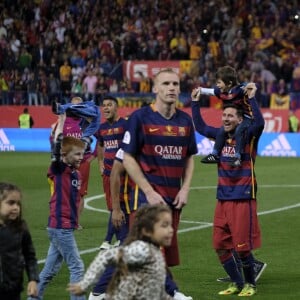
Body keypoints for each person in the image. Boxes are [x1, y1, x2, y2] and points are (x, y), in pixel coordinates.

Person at [122, 68, 197, 299]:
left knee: (157, 253)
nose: (172, 88)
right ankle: (173, 293)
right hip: (146, 199)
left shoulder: (185, 120)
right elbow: (127, 157)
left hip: (173, 199)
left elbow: (189, 157)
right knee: (149, 250)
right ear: (155, 89)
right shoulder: (140, 117)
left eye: (175, 84)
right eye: (165, 84)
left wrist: (185, 189)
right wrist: (148, 190)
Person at [191, 82, 265, 296]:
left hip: (243, 197)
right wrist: (195, 103)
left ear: (240, 120)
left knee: (242, 248)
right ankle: (236, 282)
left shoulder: (249, 136)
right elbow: (201, 128)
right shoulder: (220, 137)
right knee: (220, 245)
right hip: (222, 198)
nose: (225, 119)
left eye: (230, 116)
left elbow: (259, 123)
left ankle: (250, 284)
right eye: (224, 116)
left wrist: (251, 97)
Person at [28, 114, 86, 300]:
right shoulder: (58, 169)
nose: (81, 157)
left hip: (61, 226)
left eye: (82, 154)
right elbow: (57, 143)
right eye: (77, 154)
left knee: (48, 271)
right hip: (60, 227)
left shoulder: (74, 174)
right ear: (64, 155)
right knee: (77, 267)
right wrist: (61, 120)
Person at [67, 204, 174, 300]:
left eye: (170, 225)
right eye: (164, 226)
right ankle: (97, 294)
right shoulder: (141, 249)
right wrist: (84, 284)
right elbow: (106, 256)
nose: (171, 230)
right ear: (147, 231)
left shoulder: (154, 253)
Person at [50, 96, 98, 228]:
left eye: (80, 106)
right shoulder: (64, 122)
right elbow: (54, 138)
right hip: (66, 163)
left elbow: (102, 138)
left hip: (83, 163)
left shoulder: (88, 122)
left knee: (80, 193)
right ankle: (60, 219)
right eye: (75, 106)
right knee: (64, 191)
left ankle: (75, 222)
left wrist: (92, 156)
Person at [198, 66, 253, 167]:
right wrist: (200, 90)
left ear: (229, 83)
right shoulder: (221, 92)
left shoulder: (239, 90)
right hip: (236, 117)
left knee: (239, 130)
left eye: (219, 82)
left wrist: (247, 85)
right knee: (221, 130)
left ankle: (237, 157)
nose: (217, 85)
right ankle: (214, 154)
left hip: (247, 117)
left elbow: (247, 85)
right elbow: (211, 92)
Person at [96, 95, 128, 250]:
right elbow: (100, 145)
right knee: (113, 206)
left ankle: (108, 240)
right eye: (104, 105)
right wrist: (100, 162)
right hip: (107, 174)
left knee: (119, 205)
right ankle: (120, 239)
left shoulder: (125, 125)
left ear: (116, 107)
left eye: (109, 105)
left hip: (122, 174)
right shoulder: (102, 128)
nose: (105, 108)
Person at [0, 182, 39, 300]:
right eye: (11, 203)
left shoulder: (20, 228)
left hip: (12, 291)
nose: (16, 207)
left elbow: (29, 256)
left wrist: (33, 279)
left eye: (18, 203)